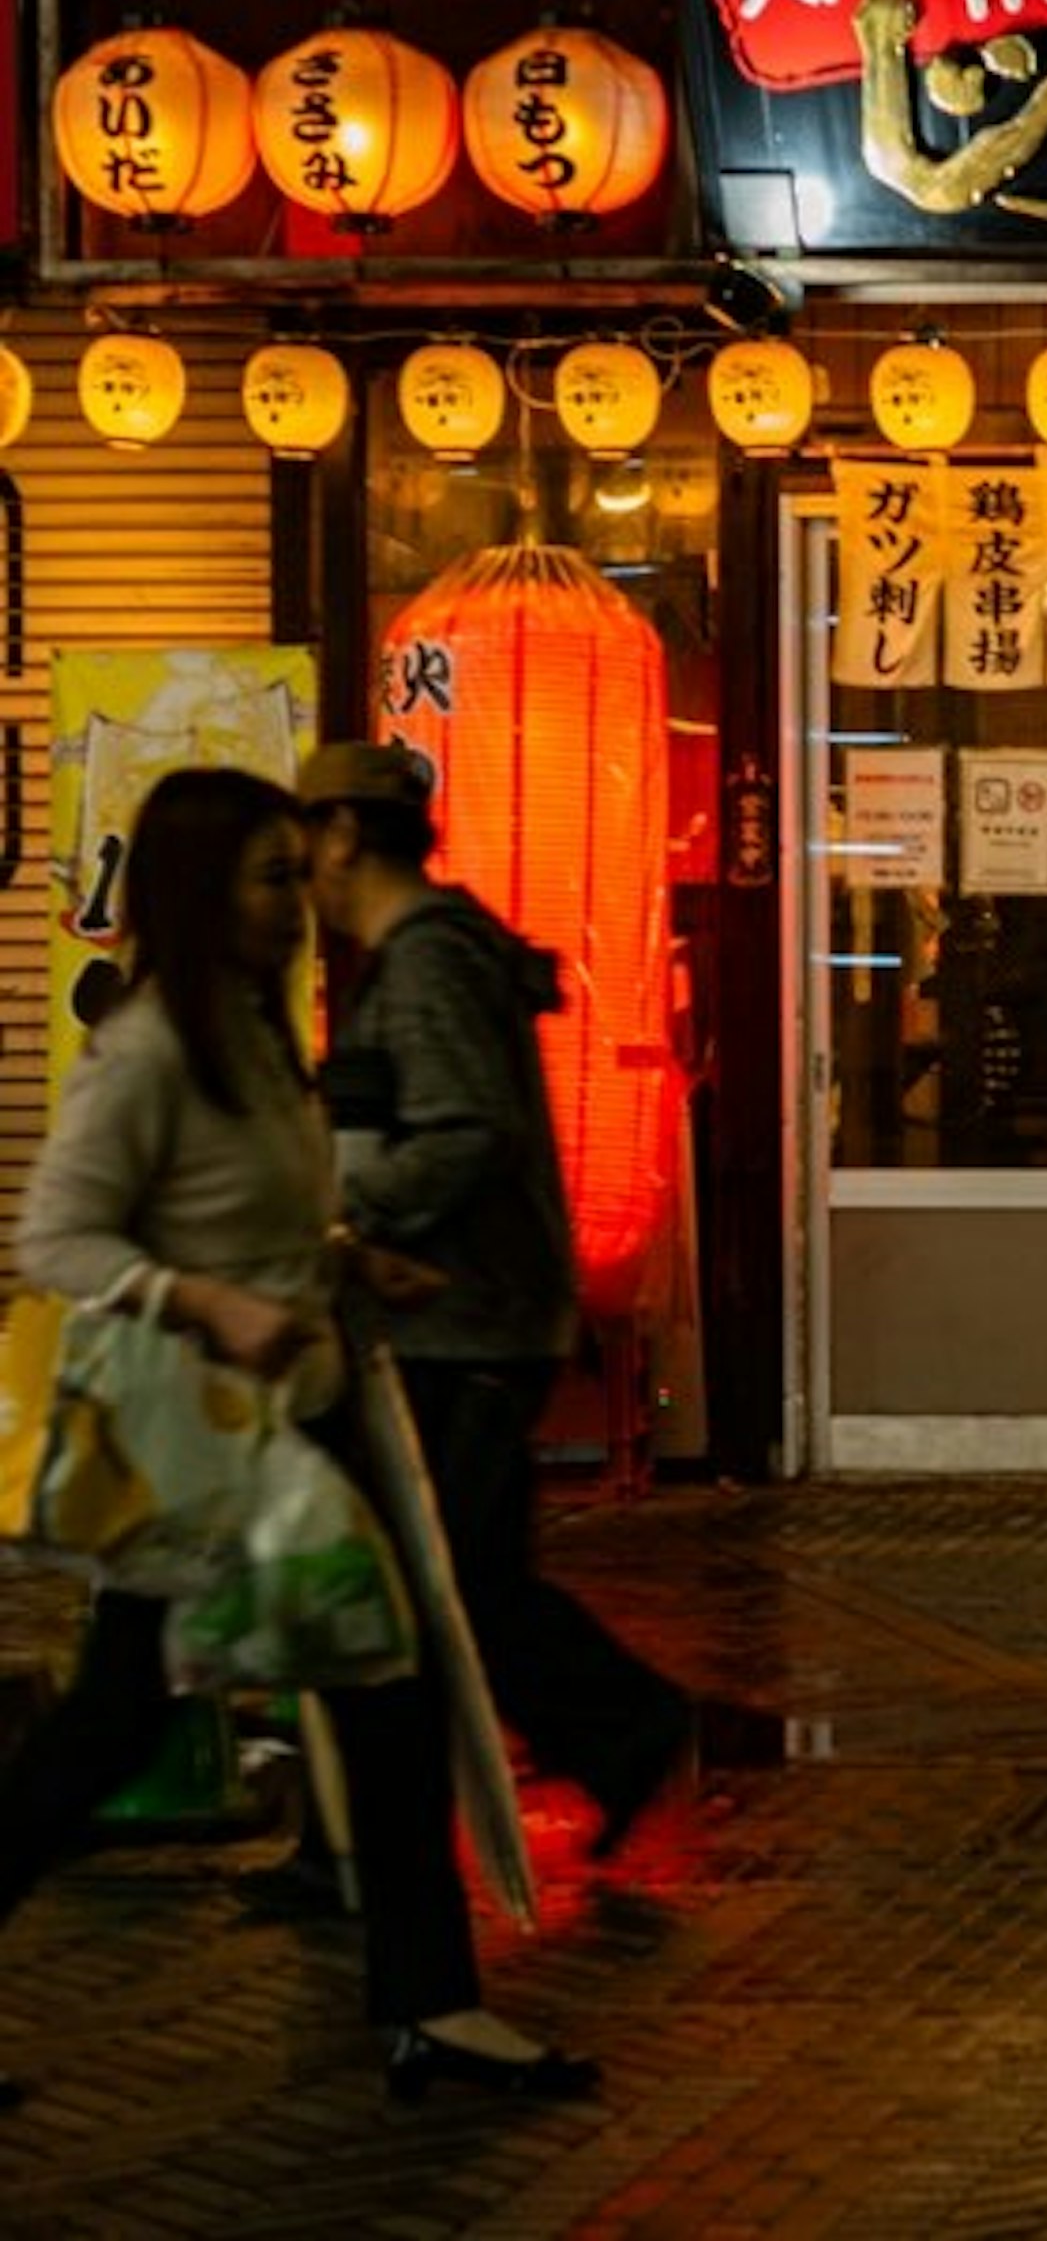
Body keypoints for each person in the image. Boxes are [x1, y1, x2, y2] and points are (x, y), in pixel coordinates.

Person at [4, 767, 595, 2106]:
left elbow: (254, 1209)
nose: (299, 900)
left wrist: (338, 1259)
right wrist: (211, 1297)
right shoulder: (152, 1045)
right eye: (273, 877)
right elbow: (57, 1238)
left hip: (291, 1431)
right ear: (204, 890)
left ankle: (431, 2009)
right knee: (109, 1732)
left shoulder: (258, 1034)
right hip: (201, 1452)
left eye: (299, 870)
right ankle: (431, 2009)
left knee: (378, 1708)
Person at [296, 741, 693, 1863]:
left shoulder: (425, 964)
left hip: (463, 1318)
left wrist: (349, 1214)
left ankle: (620, 1729)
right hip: (474, 1315)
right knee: (453, 1571)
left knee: (448, 1576)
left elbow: (467, 1131)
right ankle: (607, 1734)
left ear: (340, 837)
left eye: (305, 848)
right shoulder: (439, 951)